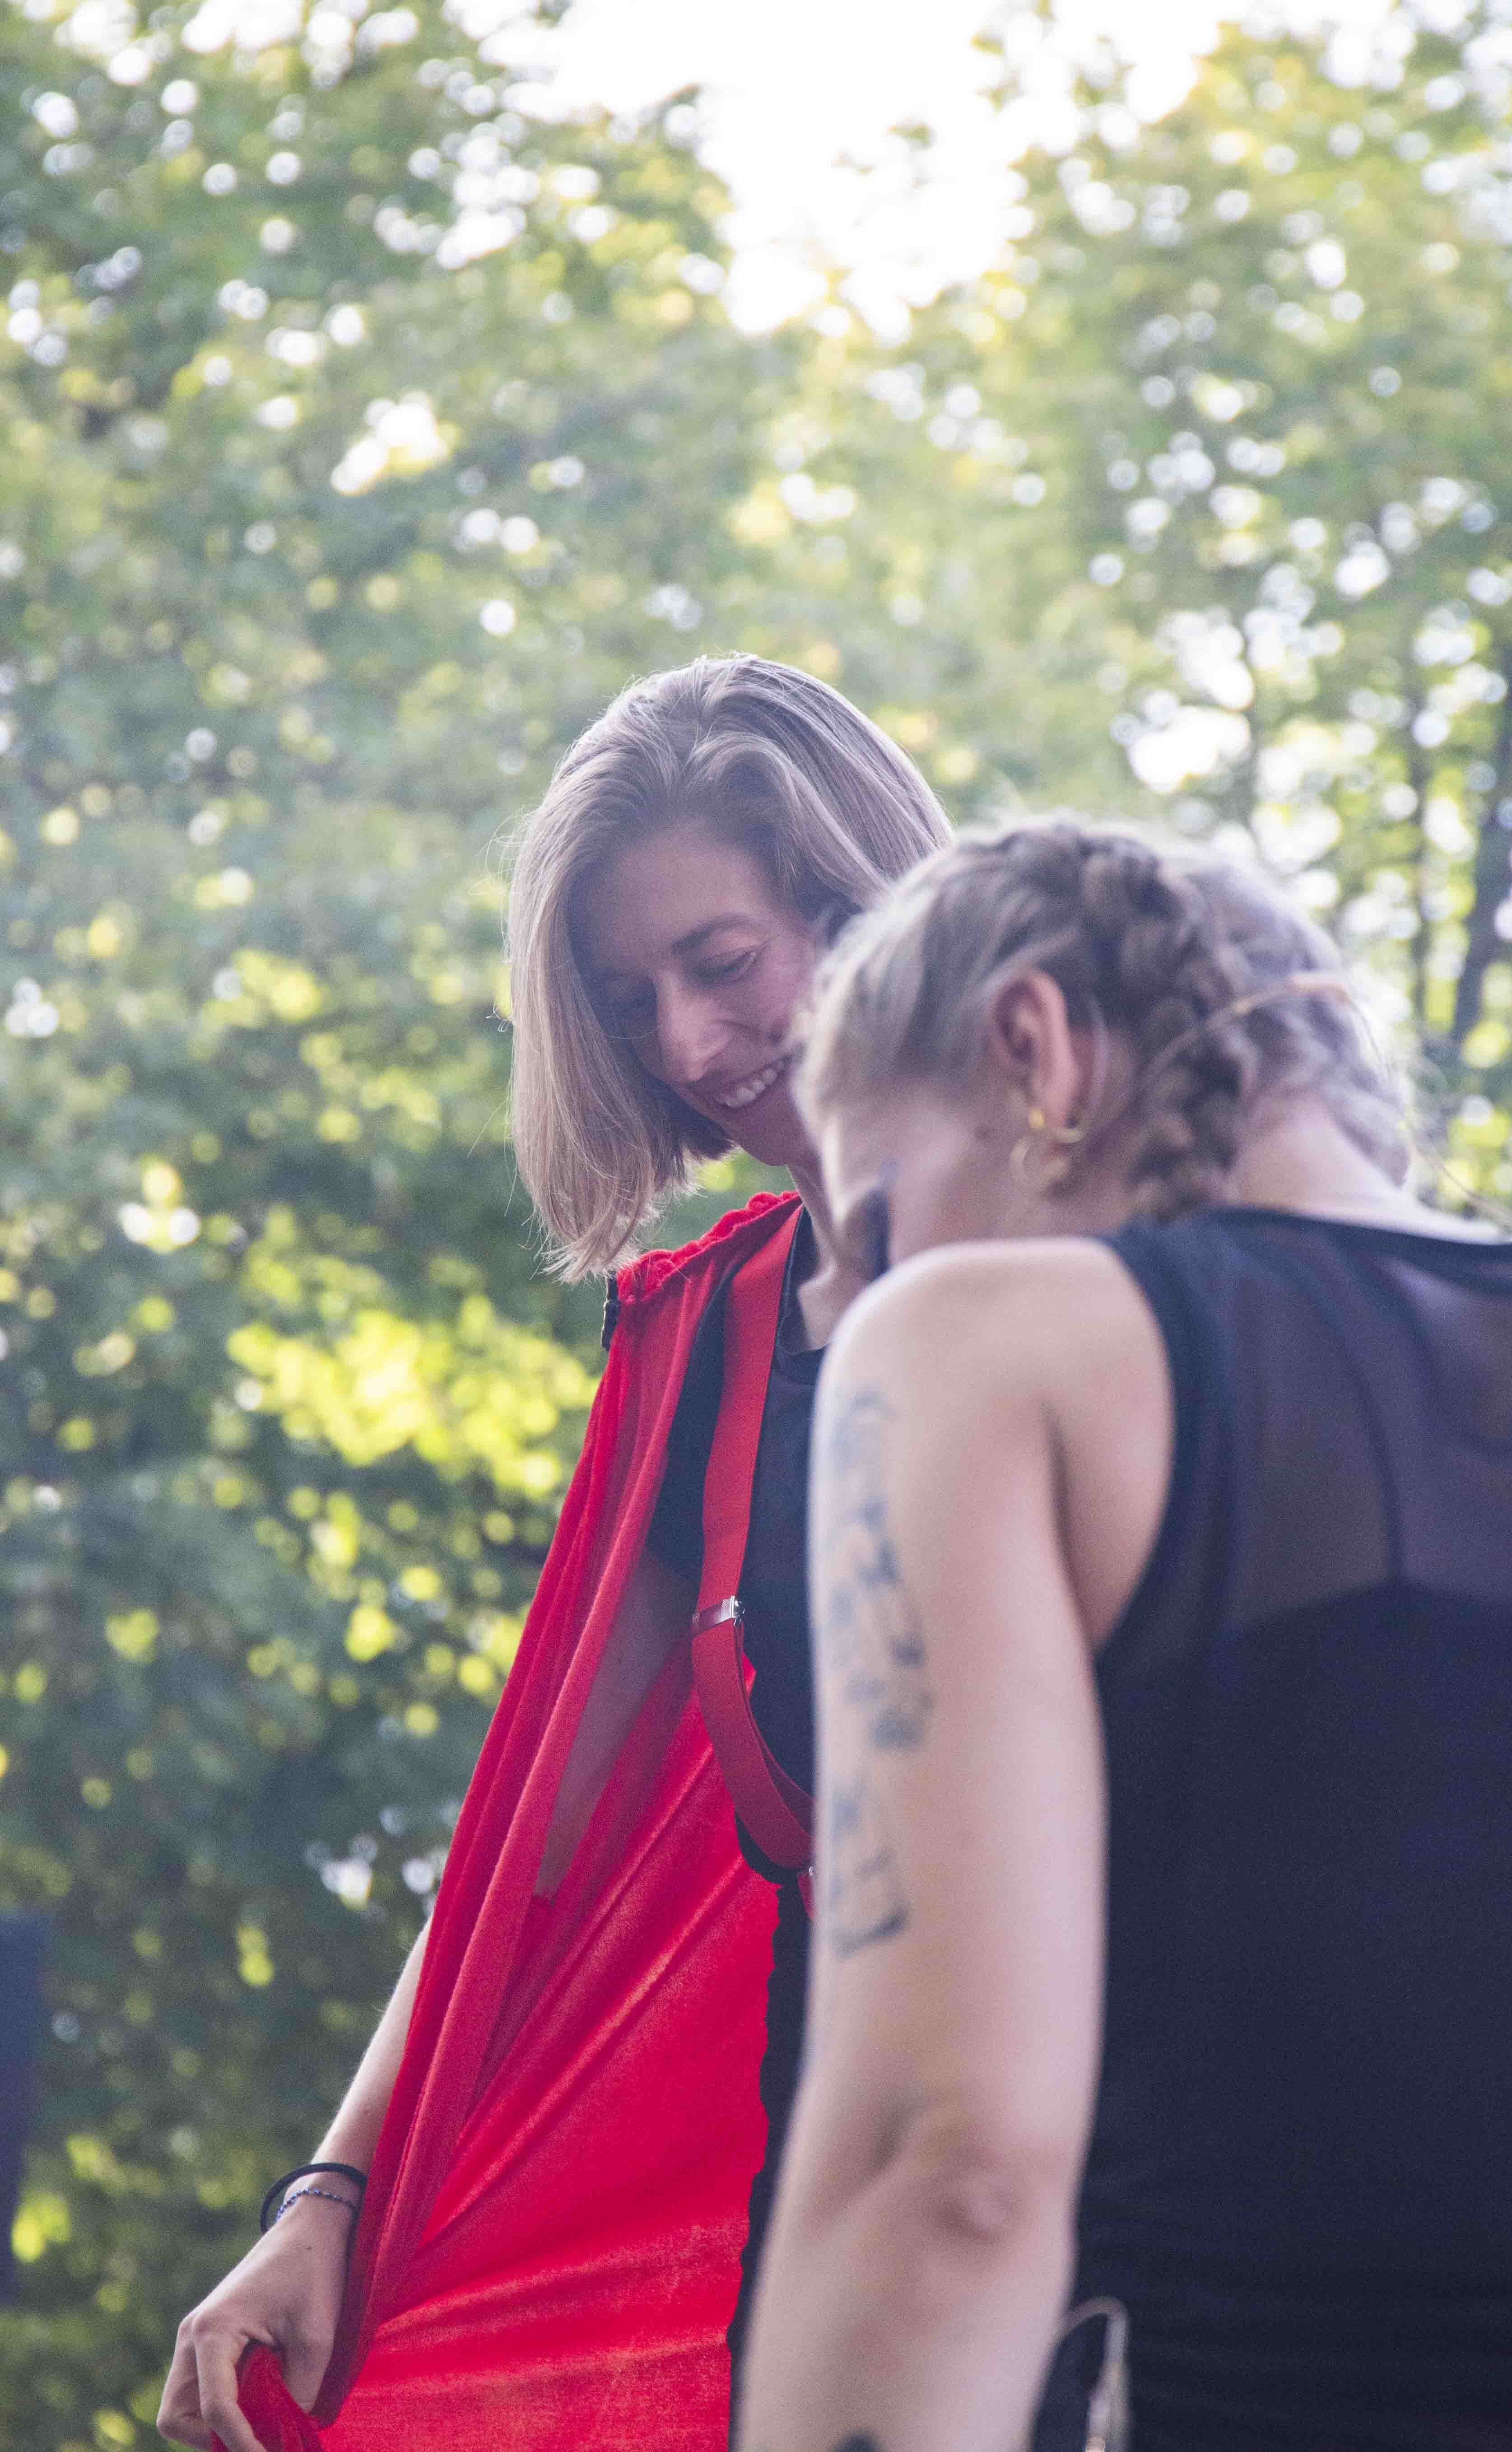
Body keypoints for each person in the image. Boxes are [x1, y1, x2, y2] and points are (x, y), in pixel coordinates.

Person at [742, 818, 1512, 2452]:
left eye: (871, 1226)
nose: (850, 1300)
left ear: (1034, 1051)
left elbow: (948, 2169)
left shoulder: (969, 1351)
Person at [155, 656, 951, 2452]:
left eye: (721, 963)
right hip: (838, 2213)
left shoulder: (1152, 1281)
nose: (686, 1047)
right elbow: (531, 1852)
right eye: (627, 998)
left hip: (1185, 2170)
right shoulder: (708, 1349)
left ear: (866, 898)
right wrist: (329, 2195)